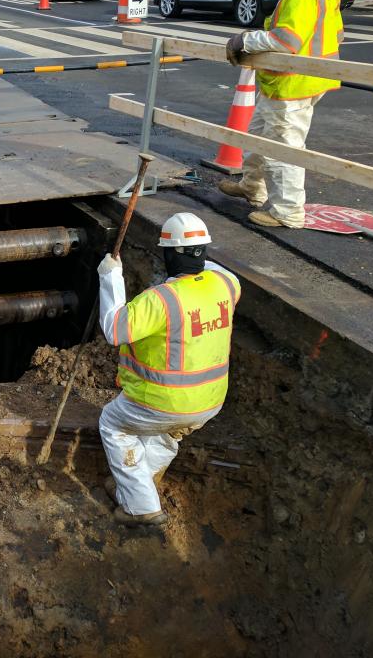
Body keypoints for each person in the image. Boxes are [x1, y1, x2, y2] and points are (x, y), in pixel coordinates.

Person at [96, 213, 241, 526]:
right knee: (166, 436)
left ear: (168, 254)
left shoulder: (160, 300)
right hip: (210, 401)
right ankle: (136, 484)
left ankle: (140, 506)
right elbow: (209, 266)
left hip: (162, 400)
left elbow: (114, 330)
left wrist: (111, 277)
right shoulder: (227, 285)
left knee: (113, 425)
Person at [221, 0, 343, 229]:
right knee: (258, 135)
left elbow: (285, 41)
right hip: (289, 81)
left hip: (293, 85)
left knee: (282, 148)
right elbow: (336, 33)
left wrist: (245, 42)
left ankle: (287, 211)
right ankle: (252, 187)